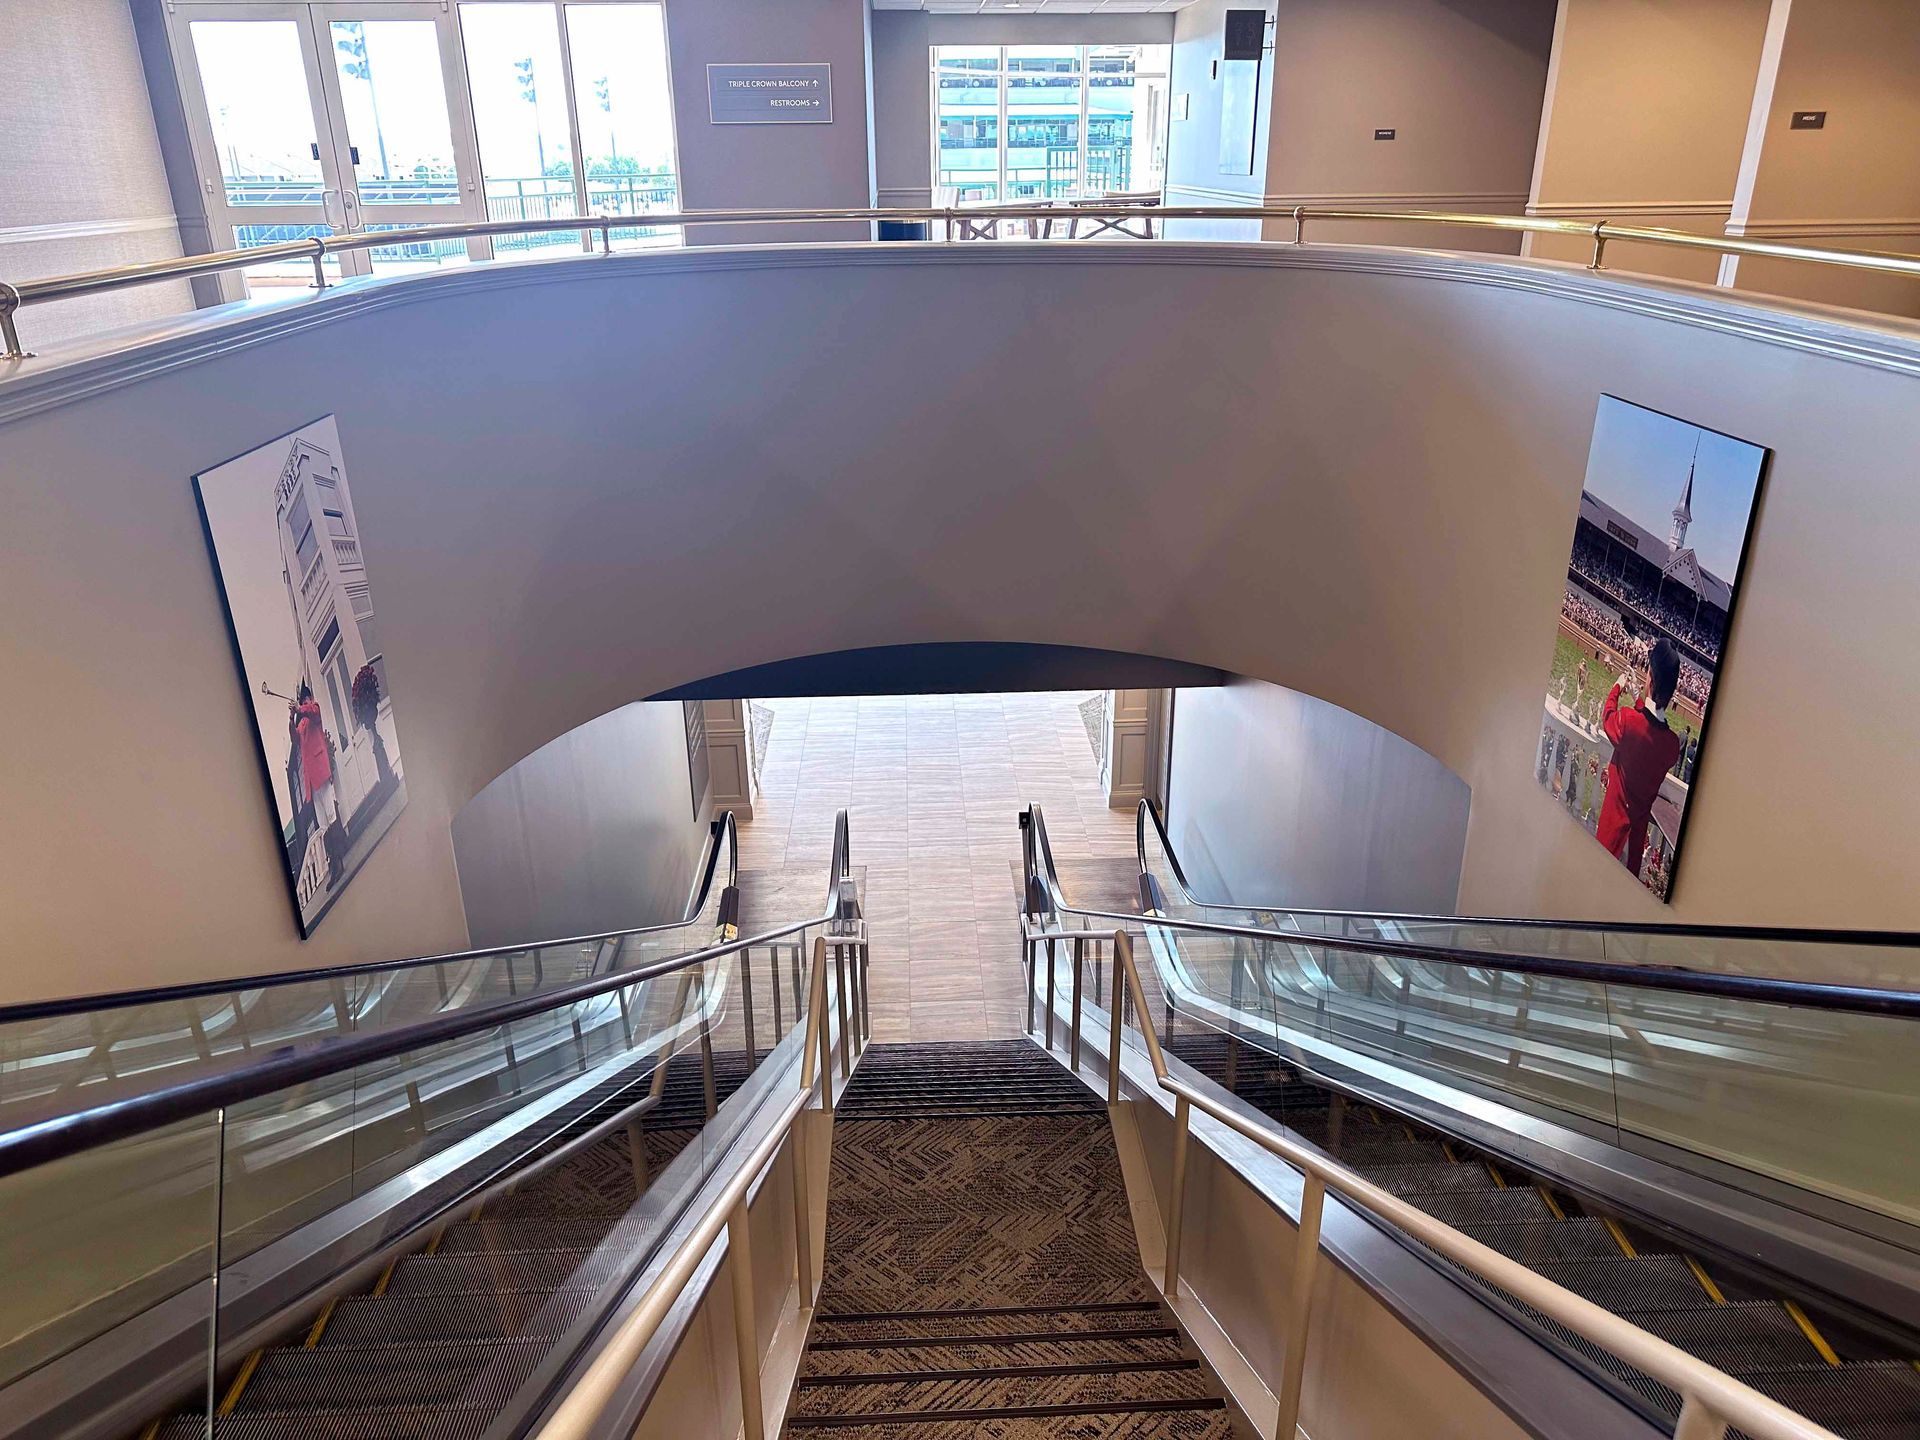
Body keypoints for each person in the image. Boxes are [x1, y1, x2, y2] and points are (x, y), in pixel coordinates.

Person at [1596, 640, 1684, 879]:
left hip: (1609, 836)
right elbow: (1649, 733)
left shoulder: (1626, 722)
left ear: (1650, 677)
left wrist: (1617, 686)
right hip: (1634, 847)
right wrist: (1639, 698)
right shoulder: (1672, 746)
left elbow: (1609, 718)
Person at [291, 682, 343, 883]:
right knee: (322, 825)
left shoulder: (314, 710)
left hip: (321, 771)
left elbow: (312, 711)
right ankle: (333, 865)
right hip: (312, 781)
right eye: (303, 701)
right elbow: (294, 737)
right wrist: (291, 716)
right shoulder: (302, 724)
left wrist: (301, 708)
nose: (306, 702)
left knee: (331, 815)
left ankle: (339, 860)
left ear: (309, 700)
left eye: (306, 700)